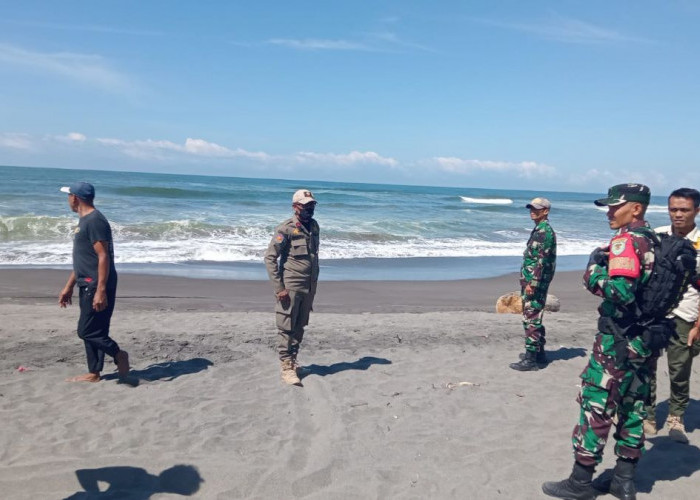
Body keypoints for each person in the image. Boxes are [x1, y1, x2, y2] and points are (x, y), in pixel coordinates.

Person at [543, 183, 657, 500]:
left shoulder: (626, 242)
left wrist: (593, 272)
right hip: (644, 340)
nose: (608, 212)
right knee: (634, 409)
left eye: (614, 206)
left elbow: (620, 292)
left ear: (635, 208)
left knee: (596, 405)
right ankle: (623, 481)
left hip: (615, 341)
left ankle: (580, 482)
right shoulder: (656, 241)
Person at [643, 188, 700, 443]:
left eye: (684, 210)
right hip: (656, 312)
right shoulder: (657, 236)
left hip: (687, 312)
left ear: (696, 211)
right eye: (673, 209)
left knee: (679, 368)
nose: (678, 215)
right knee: (648, 364)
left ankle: (676, 417)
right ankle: (649, 415)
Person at [58, 182, 130, 383]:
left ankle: (118, 354)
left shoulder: (95, 221)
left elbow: (103, 256)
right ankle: (94, 372)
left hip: (96, 284)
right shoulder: (84, 221)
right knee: (96, 331)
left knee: (86, 330)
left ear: (75, 198)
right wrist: (69, 286)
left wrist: (101, 290)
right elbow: (84, 259)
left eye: (69, 196)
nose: (68, 200)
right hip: (87, 282)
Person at [264, 189, 320, 385]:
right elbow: (270, 258)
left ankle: (293, 361)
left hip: (308, 286)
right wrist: (279, 288)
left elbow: (314, 257)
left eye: (312, 205)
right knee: (286, 327)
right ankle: (286, 367)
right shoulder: (285, 229)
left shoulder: (314, 226)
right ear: (295, 207)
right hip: (291, 285)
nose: (310, 209)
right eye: (306, 206)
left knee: (300, 326)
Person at [510, 197, 557, 371]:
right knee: (534, 316)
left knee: (531, 318)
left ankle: (531, 360)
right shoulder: (540, 229)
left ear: (545, 211)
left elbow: (541, 261)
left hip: (535, 283)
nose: (532, 211)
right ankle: (540, 353)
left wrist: (532, 283)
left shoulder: (544, 232)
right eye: (531, 208)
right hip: (532, 281)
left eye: (536, 208)